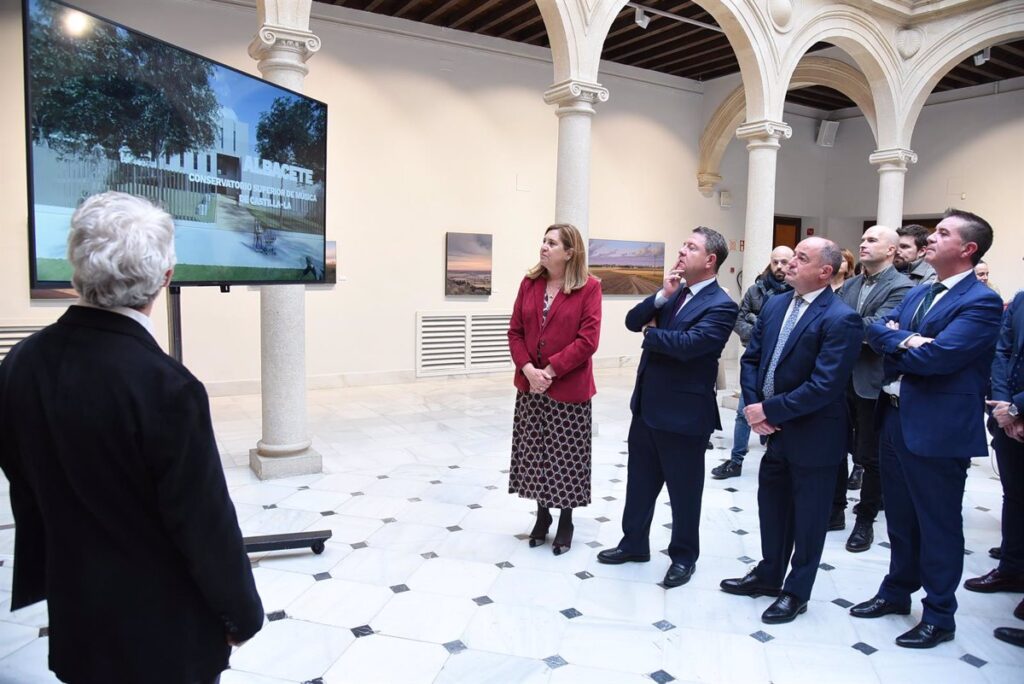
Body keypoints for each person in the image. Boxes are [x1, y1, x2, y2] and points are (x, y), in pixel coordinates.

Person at [0, 192, 263, 684]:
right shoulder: (168, 388)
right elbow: (204, 525)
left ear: (75, 267)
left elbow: (25, 478)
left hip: (78, 620)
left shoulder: (18, 365)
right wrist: (242, 614)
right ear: (165, 279)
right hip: (163, 637)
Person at [850, 209, 1002, 648]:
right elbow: (878, 332)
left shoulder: (981, 301)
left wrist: (903, 343)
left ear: (968, 249)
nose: (929, 238)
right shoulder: (921, 291)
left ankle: (939, 614)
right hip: (895, 416)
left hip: (938, 429)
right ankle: (897, 592)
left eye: (942, 233)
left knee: (937, 524)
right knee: (899, 518)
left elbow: (939, 359)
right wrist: (907, 340)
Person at [719, 237, 861, 624]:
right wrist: (754, 410)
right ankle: (768, 575)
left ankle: (796, 592)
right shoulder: (777, 303)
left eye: (801, 258)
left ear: (825, 272)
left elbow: (825, 385)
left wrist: (769, 409)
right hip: (774, 430)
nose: (789, 264)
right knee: (772, 507)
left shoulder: (841, 318)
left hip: (815, 435)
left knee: (809, 518)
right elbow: (752, 359)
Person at [597, 227, 737, 588]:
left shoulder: (722, 305)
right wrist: (660, 297)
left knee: (684, 493)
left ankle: (683, 557)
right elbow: (632, 321)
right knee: (639, 484)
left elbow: (691, 345)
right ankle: (634, 544)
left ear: (710, 261)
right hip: (647, 407)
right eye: (683, 244)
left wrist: (652, 335)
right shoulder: (674, 293)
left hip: (685, 416)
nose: (681, 250)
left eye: (691, 247)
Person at [507, 224, 602, 555]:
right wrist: (528, 369)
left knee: (566, 459)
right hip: (531, 387)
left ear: (569, 252)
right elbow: (515, 332)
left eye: (551, 243)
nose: (544, 247)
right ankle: (542, 515)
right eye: (543, 241)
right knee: (535, 454)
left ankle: (565, 519)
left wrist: (550, 370)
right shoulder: (530, 283)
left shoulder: (589, 288)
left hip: (569, 389)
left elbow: (588, 340)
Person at [830, 226, 912, 551]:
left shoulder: (903, 288)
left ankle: (865, 520)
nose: (863, 244)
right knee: (835, 447)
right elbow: (840, 323)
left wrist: (848, 327)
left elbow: (877, 329)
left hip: (871, 381)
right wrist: (860, 328)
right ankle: (834, 511)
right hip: (840, 378)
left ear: (891, 250)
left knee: (870, 455)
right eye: (862, 239)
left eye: (872, 240)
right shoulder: (849, 285)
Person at [966, 289, 1024, 648]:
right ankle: (1012, 570)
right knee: (1015, 498)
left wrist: (1017, 406)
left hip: (1017, 409)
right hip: (1008, 418)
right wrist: (1004, 408)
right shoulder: (1020, 300)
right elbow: (1003, 351)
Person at [712, 245, 793, 480]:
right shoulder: (755, 290)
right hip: (756, 360)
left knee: (778, 413)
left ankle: (776, 459)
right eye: (776, 261)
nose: (780, 266)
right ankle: (736, 460)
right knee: (743, 412)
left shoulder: (795, 292)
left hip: (782, 364)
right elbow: (738, 319)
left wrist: (758, 324)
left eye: (785, 262)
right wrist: (760, 332)